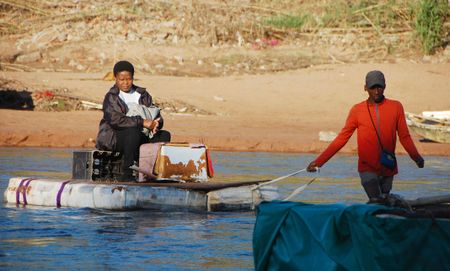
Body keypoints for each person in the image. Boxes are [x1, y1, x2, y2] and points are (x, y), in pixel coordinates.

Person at [306, 70, 424, 202]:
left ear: (385, 86)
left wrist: (416, 158)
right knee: (375, 200)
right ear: (365, 88)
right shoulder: (357, 110)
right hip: (367, 168)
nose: (377, 91)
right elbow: (342, 139)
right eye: (373, 87)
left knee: (384, 203)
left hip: (388, 167)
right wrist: (319, 162)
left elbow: (404, 136)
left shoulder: (396, 107)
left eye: (379, 87)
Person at [96, 60, 171, 181]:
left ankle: (155, 172)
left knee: (164, 135)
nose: (125, 83)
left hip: (141, 134)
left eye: (129, 79)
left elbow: (154, 112)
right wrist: (142, 122)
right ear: (115, 78)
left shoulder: (142, 94)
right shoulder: (111, 97)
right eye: (122, 79)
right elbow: (116, 120)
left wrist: (157, 122)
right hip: (117, 137)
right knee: (133, 131)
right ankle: (127, 174)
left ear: (133, 78)